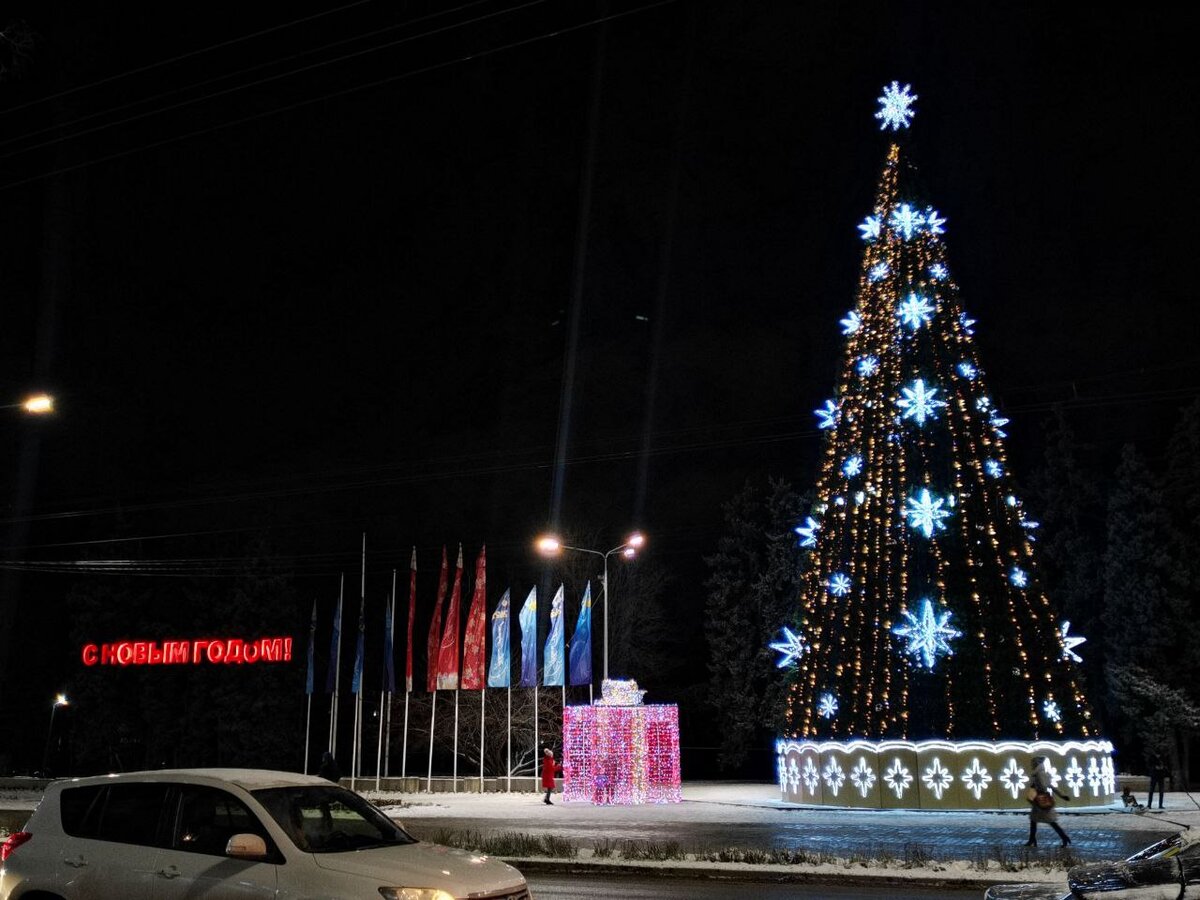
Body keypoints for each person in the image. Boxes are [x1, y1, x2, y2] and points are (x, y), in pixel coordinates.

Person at [1026, 756, 1071, 848]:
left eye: (1033, 763)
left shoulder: (1039, 774)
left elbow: (1044, 786)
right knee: (1034, 821)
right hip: (1039, 800)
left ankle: (1064, 838)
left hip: (1041, 800)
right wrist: (1062, 795)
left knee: (1050, 822)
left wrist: (1035, 787)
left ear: (1037, 763)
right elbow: (1051, 786)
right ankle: (1032, 840)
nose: (1032, 764)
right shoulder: (1039, 773)